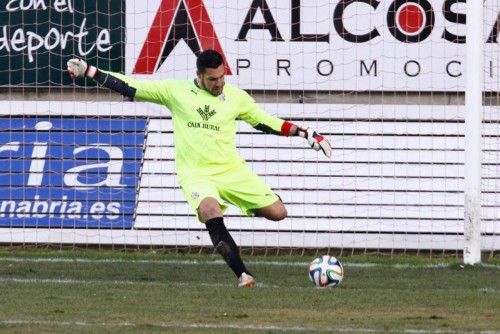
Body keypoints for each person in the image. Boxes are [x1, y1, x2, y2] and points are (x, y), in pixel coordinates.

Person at [67, 50, 331, 288]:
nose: (219, 84)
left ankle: (248, 205)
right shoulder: (176, 92)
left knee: (278, 213)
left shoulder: (236, 97)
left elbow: (265, 122)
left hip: (231, 170)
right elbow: (132, 86)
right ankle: (244, 276)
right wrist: (91, 71)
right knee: (209, 211)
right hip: (196, 173)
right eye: (213, 79)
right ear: (199, 76)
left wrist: (304, 133)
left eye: (222, 77)